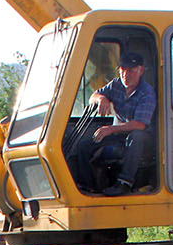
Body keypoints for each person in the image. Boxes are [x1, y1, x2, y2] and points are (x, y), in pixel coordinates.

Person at [65, 50, 156, 196]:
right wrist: (102, 99)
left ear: (141, 70)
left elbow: (140, 124)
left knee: (137, 136)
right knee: (84, 146)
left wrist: (110, 129)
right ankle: (89, 187)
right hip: (118, 134)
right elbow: (93, 96)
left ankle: (124, 183)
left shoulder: (147, 93)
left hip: (141, 138)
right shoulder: (116, 85)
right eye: (123, 70)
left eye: (131, 70)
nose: (126, 74)